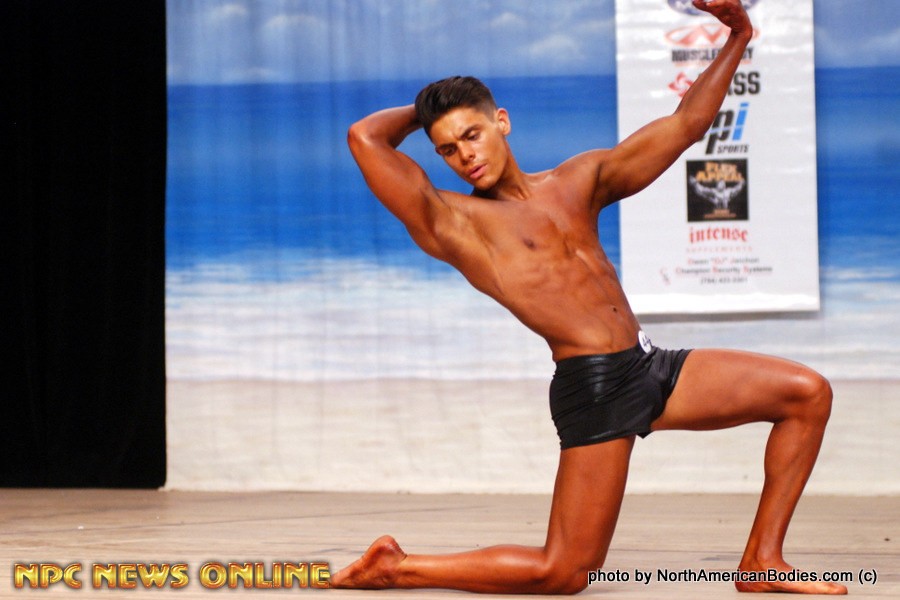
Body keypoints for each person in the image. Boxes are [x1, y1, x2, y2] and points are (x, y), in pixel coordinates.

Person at [333, 0, 846, 594]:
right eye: (447, 148)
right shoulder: (454, 223)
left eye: (472, 134)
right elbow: (364, 136)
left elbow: (686, 125)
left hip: (649, 364)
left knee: (806, 395)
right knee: (565, 571)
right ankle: (397, 567)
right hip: (596, 386)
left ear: (502, 121)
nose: (465, 154)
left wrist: (738, 33)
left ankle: (762, 561)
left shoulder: (577, 181)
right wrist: (427, 108)